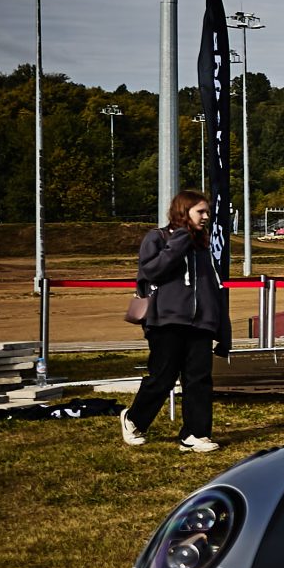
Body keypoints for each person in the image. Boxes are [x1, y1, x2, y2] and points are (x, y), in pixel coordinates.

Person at [121, 189, 231, 452]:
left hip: (200, 324)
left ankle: (196, 434)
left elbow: (213, 290)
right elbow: (151, 271)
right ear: (184, 212)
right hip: (166, 322)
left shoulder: (203, 248)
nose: (206, 217)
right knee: (162, 377)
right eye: (200, 212)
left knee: (199, 379)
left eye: (207, 212)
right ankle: (134, 419)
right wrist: (180, 240)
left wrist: (222, 330)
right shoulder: (157, 238)